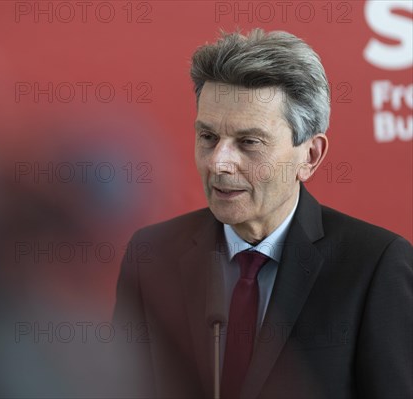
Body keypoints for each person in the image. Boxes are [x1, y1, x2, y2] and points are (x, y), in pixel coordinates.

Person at [112, 29, 413, 399]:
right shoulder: (152, 255)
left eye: (248, 142)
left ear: (310, 156)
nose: (219, 163)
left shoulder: (374, 265)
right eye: (207, 137)